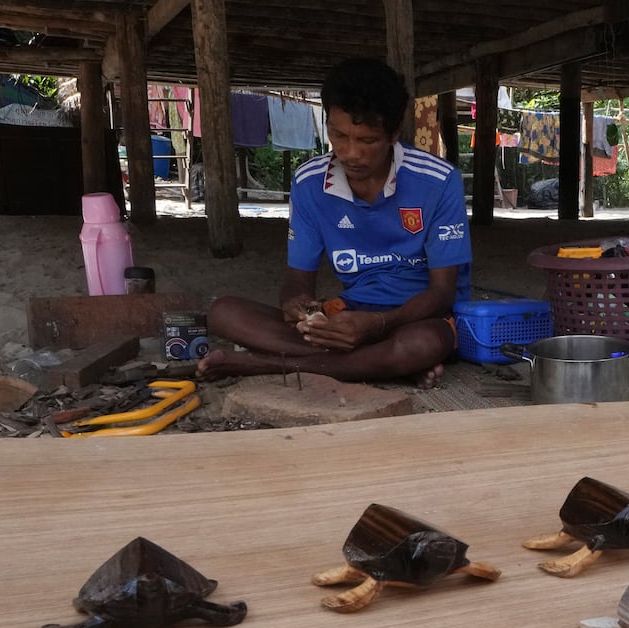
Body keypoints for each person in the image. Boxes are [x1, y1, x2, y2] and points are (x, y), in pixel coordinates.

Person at [198, 58, 470, 387]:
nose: (350, 153)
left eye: (367, 141)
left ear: (394, 134)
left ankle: (264, 365)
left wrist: (378, 324)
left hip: (417, 318)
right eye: (338, 135)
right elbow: (298, 280)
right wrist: (299, 306)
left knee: (422, 344)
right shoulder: (309, 182)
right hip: (347, 318)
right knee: (223, 312)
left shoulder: (439, 180)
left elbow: (442, 292)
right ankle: (381, 365)